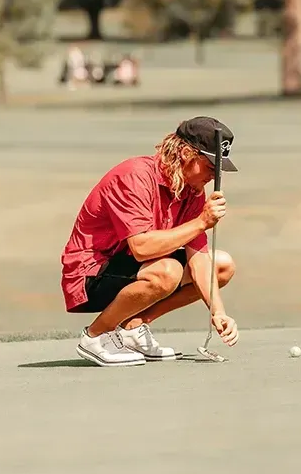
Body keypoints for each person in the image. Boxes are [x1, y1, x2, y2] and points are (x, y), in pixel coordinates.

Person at [60, 116, 239, 367]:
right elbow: (141, 248)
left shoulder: (192, 191)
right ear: (186, 153)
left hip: (133, 268)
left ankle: (133, 326)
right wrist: (201, 222)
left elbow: (198, 258)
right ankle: (96, 336)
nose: (214, 175)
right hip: (90, 273)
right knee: (168, 271)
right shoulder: (135, 176)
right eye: (210, 166)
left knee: (221, 265)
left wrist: (218, 312)